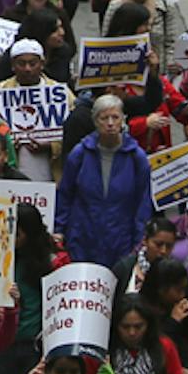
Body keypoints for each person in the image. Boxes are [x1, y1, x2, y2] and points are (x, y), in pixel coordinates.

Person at [55, 92, 155, 266]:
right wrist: (59, 230)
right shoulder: (79, 154)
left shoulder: (136, 157)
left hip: (121, 238)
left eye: (115, 117)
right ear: (95, 121)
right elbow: (65, 194)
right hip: (83, 236)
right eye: (104, 118)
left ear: (123, 119)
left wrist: (140, 240)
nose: (110, 123)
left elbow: (143, 202)